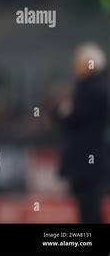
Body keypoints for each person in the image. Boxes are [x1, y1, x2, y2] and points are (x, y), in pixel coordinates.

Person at [54, 42, 108, 223]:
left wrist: (63, 111)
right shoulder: (93, 87)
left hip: (87, 159)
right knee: (88, 203)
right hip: (88, 158)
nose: (76, 66)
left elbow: (72, 115)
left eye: (79, 62)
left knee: (89, 204)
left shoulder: (92, 89)